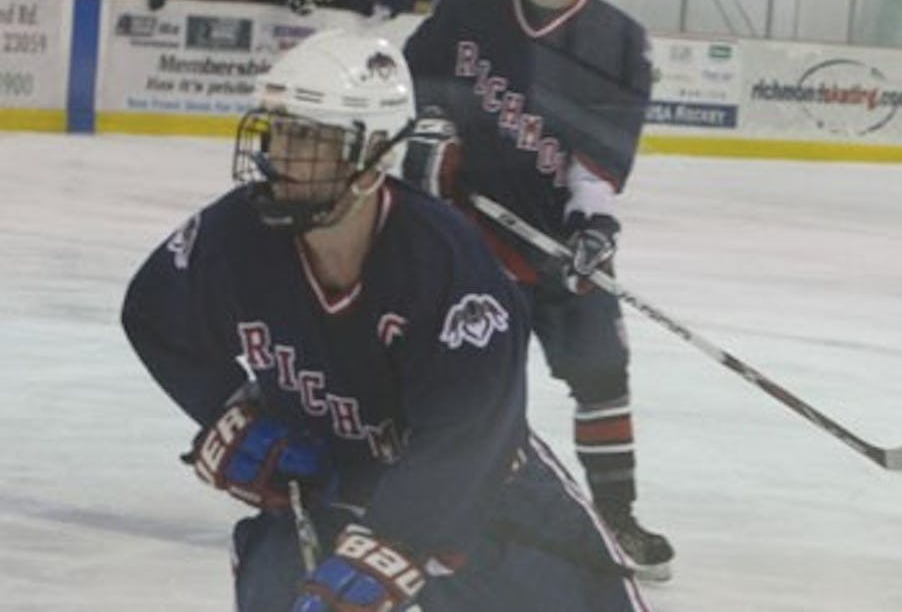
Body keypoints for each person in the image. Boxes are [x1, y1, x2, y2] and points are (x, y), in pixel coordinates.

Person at [121, 31, 651, 612]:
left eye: (310, 139)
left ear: (372, 157)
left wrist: (397, 540)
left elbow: (471, 431)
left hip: (483, 500)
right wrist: (229, 410)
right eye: (278, 131)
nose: (281, 157)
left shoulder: (445, 260)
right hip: (322, 486)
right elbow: (156, 314)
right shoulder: (235, 235)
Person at [401, 0, 673, 580]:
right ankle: (429, 507)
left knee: (602, 372)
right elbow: (413, 88)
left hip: (558, 246)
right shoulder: (470, 7)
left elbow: (602, 155)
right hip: (468, 238)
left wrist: (592, 227)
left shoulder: (617, 39)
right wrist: (432, 140)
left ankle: (615, 517)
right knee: (467, 383)